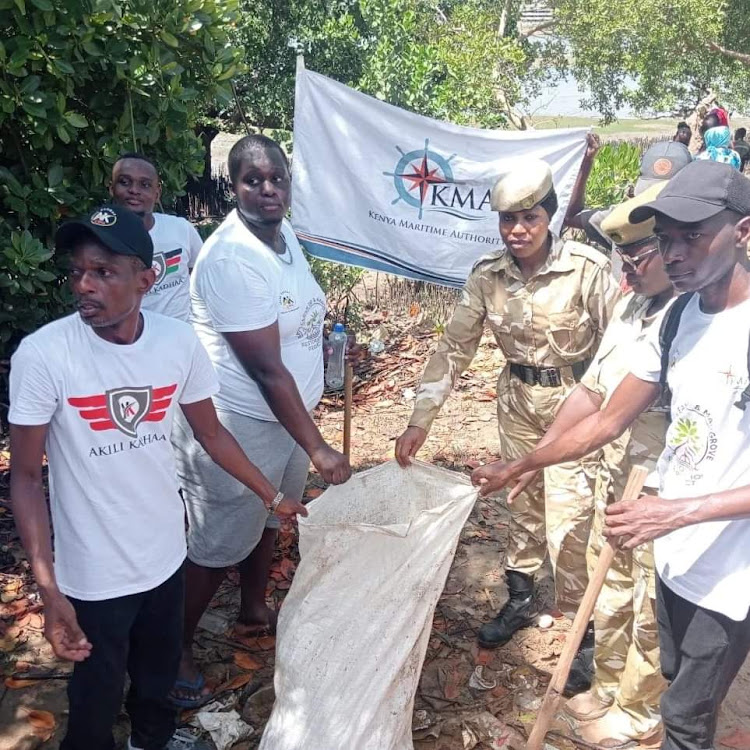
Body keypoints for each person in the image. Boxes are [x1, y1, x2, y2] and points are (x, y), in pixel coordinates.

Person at [471, 160, 750, 750]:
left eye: (691, 237)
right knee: (660, 653)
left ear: (743, 232)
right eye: (666, 239)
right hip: (676, 548)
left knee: (686, 719)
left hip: (731, 568)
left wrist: (675, 512)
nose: (673, 254)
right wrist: (524, 463)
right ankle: (627, 694)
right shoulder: (679, 318)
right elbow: (603, 411)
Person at [8, 205, 307, 750]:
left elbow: (212, 435)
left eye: (104, 272)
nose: (85, 285)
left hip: (166, 555)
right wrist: (49, 590)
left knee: (156, 680)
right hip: (93, 574)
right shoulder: (46, 355)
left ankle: (151, 740)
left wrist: (271, 496)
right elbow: (26, 477)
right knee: (95, 697)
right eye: (78, 272)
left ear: (146, 279)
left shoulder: (176, 342)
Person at [395, 159, 619, 691]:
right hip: (518, 401)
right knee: (521, 505)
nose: (517, 230)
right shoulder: (487, 276)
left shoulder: (586, 269)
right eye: (507, 220)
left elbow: (621, 347)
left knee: (570, 521)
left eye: (529, 218)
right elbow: (454, 349)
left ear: (548, 215)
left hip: (576, 404)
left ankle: (581, 633)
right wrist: (419, 421)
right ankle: (521, 599)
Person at [478, 183, 675, 746]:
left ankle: (637, 710)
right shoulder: (637, 304)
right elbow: (590, 391)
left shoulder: (684, 314)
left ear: (674, 248)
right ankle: (608, 687)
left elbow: (610, 419)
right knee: (608, 579)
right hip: (616, 476)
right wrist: (533, 463)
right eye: (623, 258)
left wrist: (527, 464)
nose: (625, 272)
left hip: (658, 483)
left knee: (647, 599)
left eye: (637, 258)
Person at [171, 134, 352, 707]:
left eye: (277, 178)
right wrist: (320, 447)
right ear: (234, 186)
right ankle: (173, 646)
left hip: (290, 419)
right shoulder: (231, 259)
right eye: (254, 180)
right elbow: (265, 370)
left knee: (274, 518)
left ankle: (252, 610)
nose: (268, 189)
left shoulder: (281, 234)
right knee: (216, 542)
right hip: (238, 423)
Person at [110, 153, 203, 321]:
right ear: (111, 188)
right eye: (124, 182)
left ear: (157, 192)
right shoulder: (101, 240)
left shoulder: (181, 229)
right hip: (128, 340)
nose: (134, 190)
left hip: (179, 338)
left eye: (145, 185)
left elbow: (199, 273)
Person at [566, 138, 691, 253]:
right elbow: (570, 218)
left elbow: (570, 217)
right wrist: (586, 162)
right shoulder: (619, 217)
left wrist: (586, 163)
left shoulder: (619, 217)